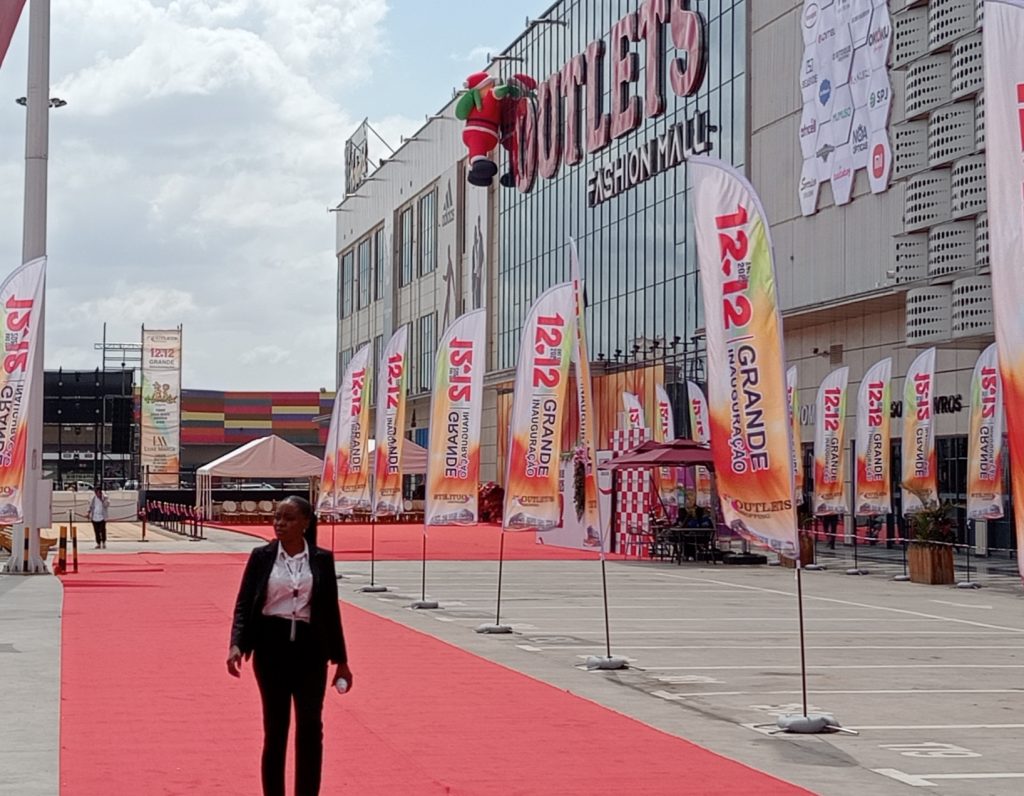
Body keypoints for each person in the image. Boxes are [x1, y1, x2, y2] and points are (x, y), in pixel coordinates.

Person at [227, 496, 352, 796]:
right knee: (276, 731)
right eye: (277, 518)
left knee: (310, 728)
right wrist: (236, 644)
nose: (280, 524)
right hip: (271, 651)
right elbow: (245, 604)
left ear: (306, 523)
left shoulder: (322, 559)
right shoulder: (261, 556)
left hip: (311, 653)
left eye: (289, 518)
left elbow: (329, 610)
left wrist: (341, 659)